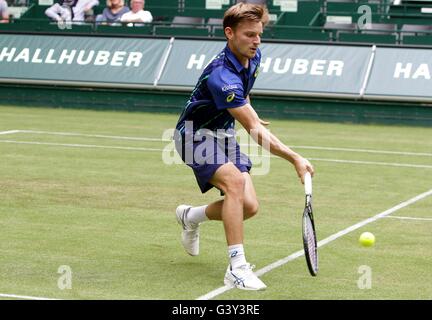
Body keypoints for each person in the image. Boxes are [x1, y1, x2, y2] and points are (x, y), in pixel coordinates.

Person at [173, 3, 314, 291]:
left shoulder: (254, 56)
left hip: (223, 134)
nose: (257, 41)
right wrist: (294, 158)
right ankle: (236, 267)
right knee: (235, 183)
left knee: (249, 207)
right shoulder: (220, 77)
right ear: (229, 33)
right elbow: (255, 132)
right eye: (250, 35)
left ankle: (190, 216)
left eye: (259, 34)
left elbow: (244, 91)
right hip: (193, 136)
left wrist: (246, 107)